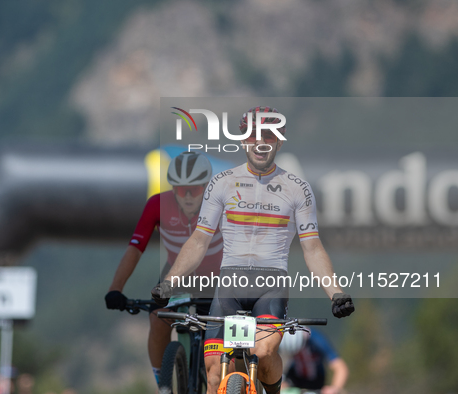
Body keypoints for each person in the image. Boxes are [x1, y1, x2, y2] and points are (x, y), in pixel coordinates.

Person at [152, 106, 355, 394]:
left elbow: (312, 248)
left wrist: (336, 292)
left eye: (269, 137)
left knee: (263, 353)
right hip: (229, 286)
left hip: (270, 286)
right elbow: (199, 240)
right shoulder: (221, 183)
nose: (261, 143)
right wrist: (170, 281)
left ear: (280, 141)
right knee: (212, 375)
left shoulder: (297, 188)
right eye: (254, 136)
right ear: (243, 140)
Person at [105, 151, 223, 385]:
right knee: (158, 319)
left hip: (219, 277)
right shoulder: (157, 205)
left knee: (231, 328)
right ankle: (164, 386)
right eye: (181, 190)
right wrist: (115, 289)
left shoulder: (223, 205)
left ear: (207, 186)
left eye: (195, 189)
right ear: (173, 188)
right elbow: (135, 249)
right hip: (178, 277)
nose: (188, 196)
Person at [279, 329, 349, 394]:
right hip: (294, 378)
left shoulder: (317, 340)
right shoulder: (282, 342)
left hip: (317, 381)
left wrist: (334, 388)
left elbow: (340, 368)